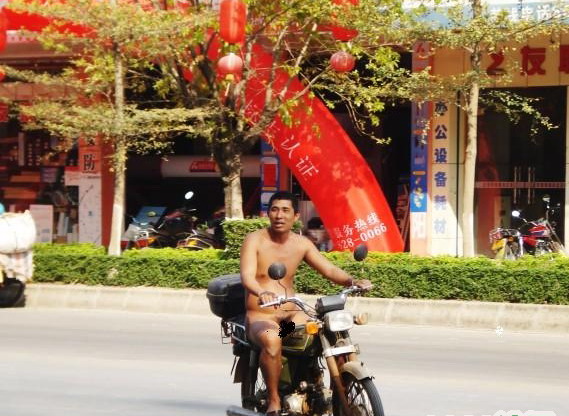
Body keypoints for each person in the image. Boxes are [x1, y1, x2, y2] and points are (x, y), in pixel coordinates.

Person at [240, 191, 372, 416]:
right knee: (273, 340)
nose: (279, 215)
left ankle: (323, 387)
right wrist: (262, 292)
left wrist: (352, 281)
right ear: (268, 213)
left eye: (285, 210)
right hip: (262, 316)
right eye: (274, 209)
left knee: (325, 330)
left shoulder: (301, 244)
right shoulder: (255, 240)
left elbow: (328, 269)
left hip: (291, 318)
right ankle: (274, 399)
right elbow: (247, 276)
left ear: (296, 216)